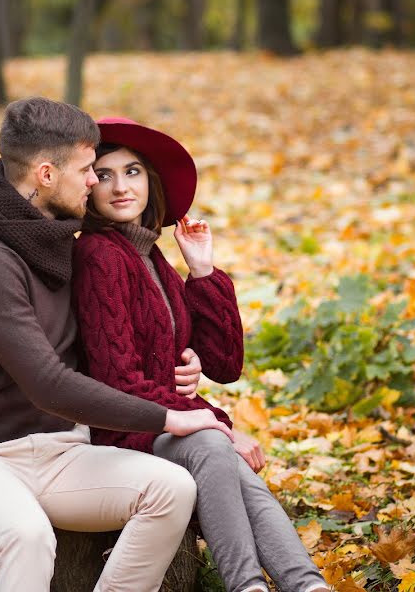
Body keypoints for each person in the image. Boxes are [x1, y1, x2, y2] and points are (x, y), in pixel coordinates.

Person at [0, 98, 236, 592]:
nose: (95, 182)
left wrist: (180, 360)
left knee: (171, 489)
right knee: (27, 536)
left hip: (62, 451)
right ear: (47, 174)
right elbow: (47, 384)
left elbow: (110, 339)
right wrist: (169, 417)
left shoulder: (63, 244)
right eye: (88, 169)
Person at [72, 117, 330, 592]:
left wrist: (203, 269)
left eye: (132, 172)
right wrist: (214, 421)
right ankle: (250, 584)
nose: (121, 186)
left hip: (163, 423)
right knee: (215, 445)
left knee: (228, 461)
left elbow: (224, 363)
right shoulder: (99, 256)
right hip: (123, 429)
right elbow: (118, 379)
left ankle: (305, 585)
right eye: (104, 175)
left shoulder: (151, 257)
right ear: (86, 188)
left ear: (151, 180)